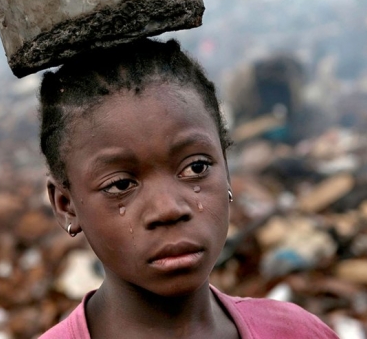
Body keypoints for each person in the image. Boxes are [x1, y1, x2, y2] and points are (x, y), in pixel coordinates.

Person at [38, 38, 338, 339]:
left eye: (196, 168)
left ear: (227, 171)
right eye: (121, 185)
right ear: (66, 205)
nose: (169, 209)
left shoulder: (295, 332)